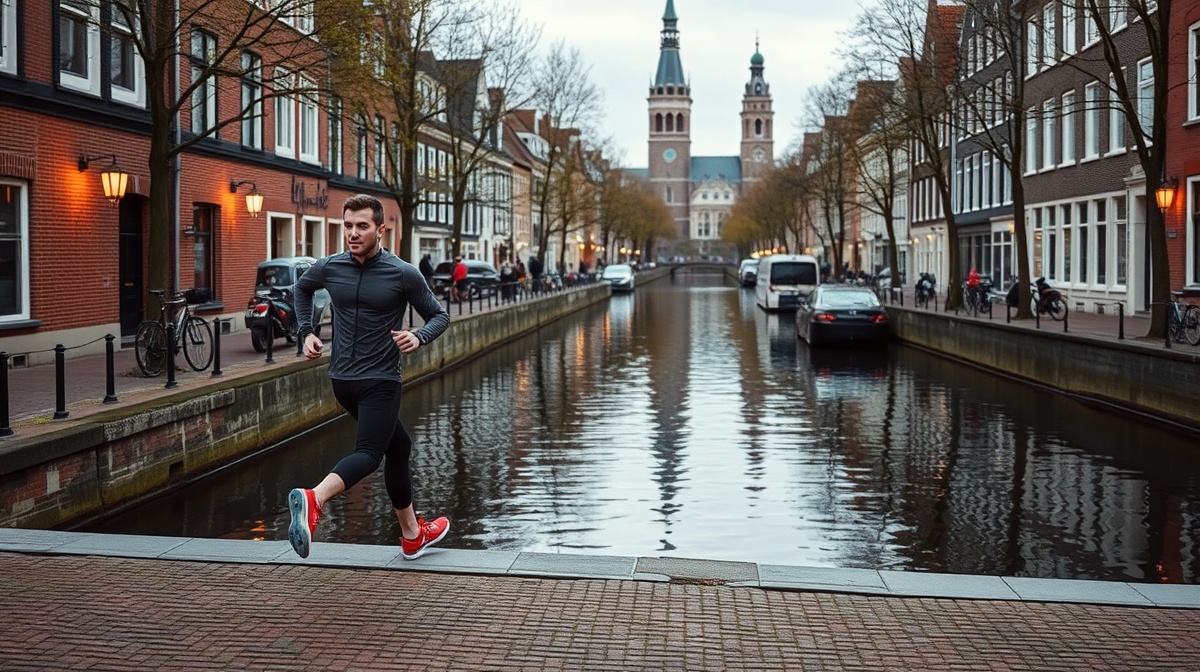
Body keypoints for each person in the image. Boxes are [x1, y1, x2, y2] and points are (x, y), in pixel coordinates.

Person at [288, 193, 451, 561]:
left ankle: (412, 535)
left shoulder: (403, 272)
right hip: (361, 381)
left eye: (362, 226)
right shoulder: (330, 266)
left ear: (381, 229)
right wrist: (306, 332)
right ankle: (315, 498)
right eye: (347, 225)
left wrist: (418, 335)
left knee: (400, 447)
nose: (353, 233)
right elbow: (301, 289)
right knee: (370, 454)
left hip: (364, 380)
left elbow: (439, 316)